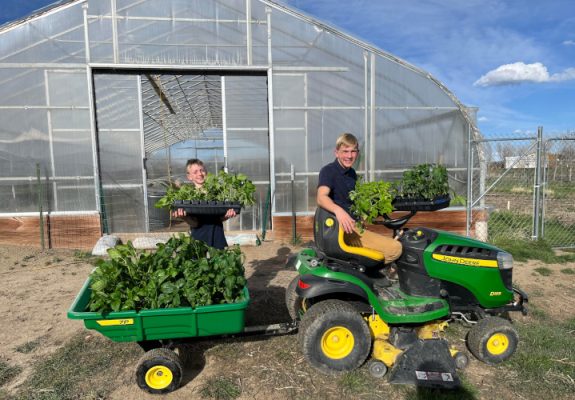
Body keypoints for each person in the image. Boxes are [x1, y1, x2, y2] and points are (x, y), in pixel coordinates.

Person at [317, 133, 402, 264]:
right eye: (345, 151)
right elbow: (321, 197)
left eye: (353, 151)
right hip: (343, 231)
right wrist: (339, 212)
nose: (349, 156)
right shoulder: (328, 171)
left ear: (357, 153)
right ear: (336, 153)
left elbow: (352, 201)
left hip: (353, 226)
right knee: (395, 248)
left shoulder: (352, 173)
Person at [172, 159, 237, 249]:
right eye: (195, 172)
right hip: (199, 240)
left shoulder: (217, 193)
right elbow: (194, 224)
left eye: (202, 170)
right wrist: (183, 217)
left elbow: (219, 219)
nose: (200, 174)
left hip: (217, 238)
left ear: (206, 172)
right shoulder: (188, 197)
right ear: (189, 176)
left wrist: (227, 215)